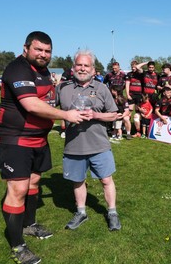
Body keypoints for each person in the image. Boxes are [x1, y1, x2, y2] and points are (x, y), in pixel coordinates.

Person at [0, 31, 88, 264]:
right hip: (15, 140)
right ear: (26, 48)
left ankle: (29, 224)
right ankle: (17, 246)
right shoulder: (17, 69)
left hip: (39, 138)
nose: (43, 54)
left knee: (34, 183)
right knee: (18, 190)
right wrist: (65, 115)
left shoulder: (45, 71)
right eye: (38, 49)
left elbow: (48, 99)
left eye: (47, 51)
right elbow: (31, 104)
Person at [56, 49, 122, 231]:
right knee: (77, 181)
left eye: (86, 65)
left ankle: (112, 212)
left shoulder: (102, 88)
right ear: (73, 67)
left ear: (93, 70)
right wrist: (65, 115)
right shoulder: (62, 88)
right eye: (79, 64)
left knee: (106, 180)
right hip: (73, 145)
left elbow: (114, 115)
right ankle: (81, 212)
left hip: (99, 144)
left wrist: (95, 115)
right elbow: (49, 110)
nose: (82, 68)